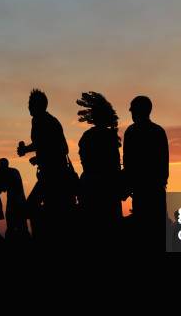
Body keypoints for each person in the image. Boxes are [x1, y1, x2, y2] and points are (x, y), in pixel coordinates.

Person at [17, 89, 75, 243]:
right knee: (50, 210)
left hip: (53, 175)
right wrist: (39, 156)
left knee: (31, 208)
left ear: (38, 105)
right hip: (52, 173)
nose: (28, 107)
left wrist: (27, 150)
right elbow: (53, 146)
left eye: (30, 104)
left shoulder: (42, 121)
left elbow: (58, 147)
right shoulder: (47, 120)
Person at [76, 92, 122, 242]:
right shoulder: (110, 137)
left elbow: (84, 161)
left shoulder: (87, 137)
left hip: (90, 189)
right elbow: (115, 166)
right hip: (108, 190)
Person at [123, 96, 169, 246]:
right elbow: (164, 165)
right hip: (156, 190)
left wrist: (126, 186)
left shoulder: (131, 132)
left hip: (141, 192)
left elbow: (129, 164)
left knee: (143, 236)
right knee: (157, 234)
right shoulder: (159, 131)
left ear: (136, 111)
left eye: (132, 110)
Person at [0, 158, 28, 239]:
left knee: (15, 227)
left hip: (15, 203)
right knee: (22, 227)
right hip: (19, 202)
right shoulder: (14, 171)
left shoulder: (9, 173)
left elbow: (2, 188)